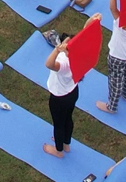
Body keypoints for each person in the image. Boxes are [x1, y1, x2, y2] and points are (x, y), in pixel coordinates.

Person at [44, 15, 96, 157]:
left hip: (59, 97)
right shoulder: (80, 55)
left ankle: (58, 150)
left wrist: (57, 49)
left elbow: (48, 64)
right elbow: (83, 37)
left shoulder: (65, 63)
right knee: (68, 118)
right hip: (72, 92)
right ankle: (66, 144)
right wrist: (91, 21)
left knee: (58, 124)